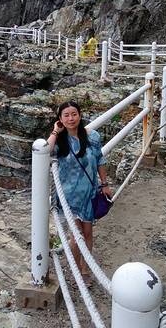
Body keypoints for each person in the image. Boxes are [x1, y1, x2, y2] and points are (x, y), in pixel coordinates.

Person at [47, 100, 112, 287]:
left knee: (88, 233)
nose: (71, 118)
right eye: (66, 115)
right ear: (60, 119)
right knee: (76, 237)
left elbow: (99, 160)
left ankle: (85, 269)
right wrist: (55, 131)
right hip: (69, 197)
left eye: (74, 114)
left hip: (89, 193)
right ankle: (77, 271)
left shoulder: (92, 137)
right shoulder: (60, 142)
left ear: (80, 115)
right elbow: (45, 151)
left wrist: (104, 184)